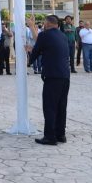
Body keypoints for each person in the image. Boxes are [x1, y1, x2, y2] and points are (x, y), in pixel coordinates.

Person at [30, 14, 70, 145]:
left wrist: (29, 58)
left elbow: (36, 51)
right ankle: (60, 135)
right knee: (61, 107)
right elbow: (49, 48)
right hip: (65, 76)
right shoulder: (62, 35)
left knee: (50, 107)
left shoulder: (44, 35)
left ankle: (49, 137)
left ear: (47, 24)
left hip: (53, 77)